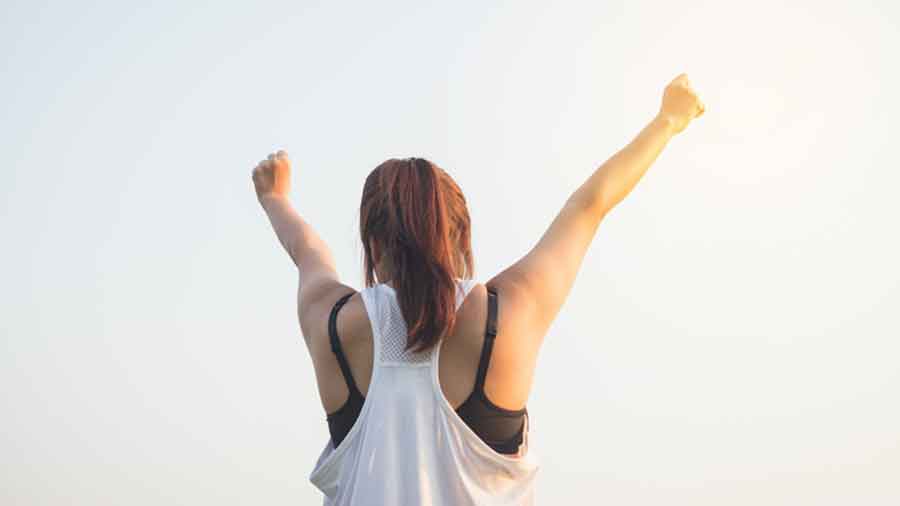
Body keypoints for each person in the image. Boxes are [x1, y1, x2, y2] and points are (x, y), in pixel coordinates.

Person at [251, 73, 705, 505]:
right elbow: (588, 206)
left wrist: (275, 198)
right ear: (460, 235)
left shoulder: (332, 324)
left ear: (371, 240)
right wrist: (668, 122)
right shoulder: (506, 314)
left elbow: (308, 250)